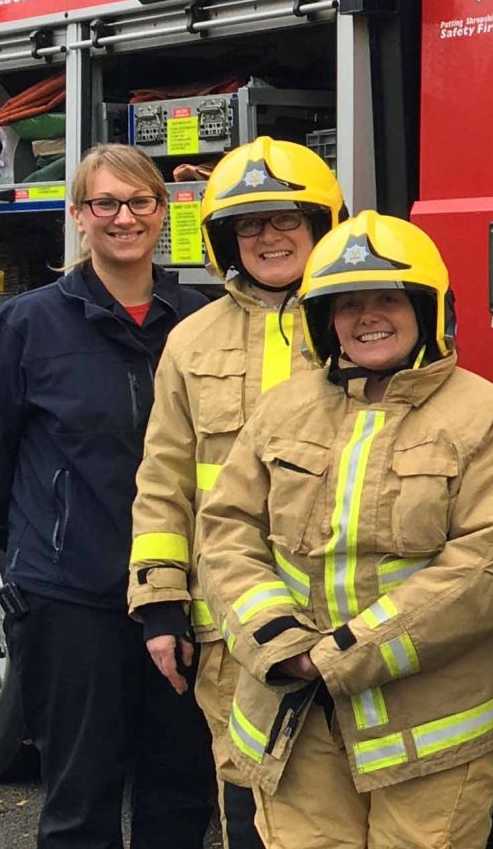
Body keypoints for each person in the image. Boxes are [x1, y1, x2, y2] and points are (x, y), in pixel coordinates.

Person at [198, 212, 493, 849]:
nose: (367, 317)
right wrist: (279, 642)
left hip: (429, 733)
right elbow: (225, 532)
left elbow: (486, 570)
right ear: (325, 320)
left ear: (429, 309)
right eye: (347, 303)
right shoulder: (284, 407)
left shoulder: (479, 410)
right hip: (297, 720)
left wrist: (339, 655)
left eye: (388, 298)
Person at [0, 142, 215, 849]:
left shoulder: (199, 325)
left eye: (139, 202)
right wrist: (51, 551)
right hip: (74, 603)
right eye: (105, 203)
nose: (122, 217)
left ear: (164, 214)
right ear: (78, 216)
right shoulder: (26, 326)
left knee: (181, 795)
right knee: (80, 803)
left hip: (186, 597)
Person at [128, 138, 343, 848]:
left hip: (347, 619)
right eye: (249, 225)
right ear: (224, 240)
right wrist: (160, 604)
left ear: (322, 224)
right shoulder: (190, 343)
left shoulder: (364, 324)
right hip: (233, 628)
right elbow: (163, 478)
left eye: (285, 219)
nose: (268, 238)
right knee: (249, 795)